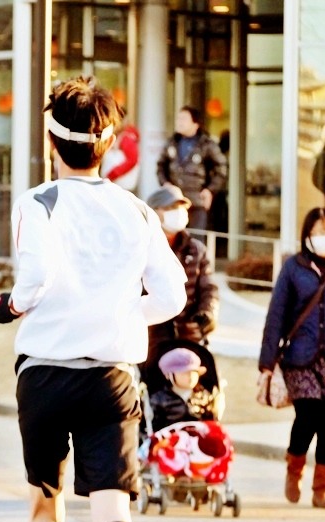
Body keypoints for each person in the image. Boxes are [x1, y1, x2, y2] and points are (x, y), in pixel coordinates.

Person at [0, 75, 187, 522]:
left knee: (45, 506)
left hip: (46, 372)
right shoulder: (137, 211)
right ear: (106, 147)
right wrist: (123, 307)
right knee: (113, 511)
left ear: (53, 140)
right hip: (112, 375)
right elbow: (173, 294)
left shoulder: (39, 201)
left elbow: (37, 279)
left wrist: (11, 305)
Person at [259, 206, 325, 509]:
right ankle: (294, 470)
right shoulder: (292, 267)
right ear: (305, 236)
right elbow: (276, 316)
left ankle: (321, 487)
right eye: (314, 233)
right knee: (308, 416)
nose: (319, 239)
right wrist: (266, 363)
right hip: (300, 357)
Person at [141, 185, 219, 386]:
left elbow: (209, 289)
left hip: (189, 337)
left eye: (181, 208)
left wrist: (208, 315)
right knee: (155, 394)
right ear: (154, 211)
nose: (179, 214)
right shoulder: (141, 246)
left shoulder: (197, 250)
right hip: (153, 342)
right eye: (171, 208)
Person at [156, 106, 227, 232]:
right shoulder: (172, 142)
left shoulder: (206, 144)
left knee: (196, 241)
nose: (179, 122)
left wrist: (210, 190)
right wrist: (165, 183)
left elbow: (221, 168)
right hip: (174, 201)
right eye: (178, 118)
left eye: (184, 119)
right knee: (173, 238)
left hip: (197, 201)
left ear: (195, 123)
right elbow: (161, 166)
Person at [148, 347, 218, 434]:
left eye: (194, 372)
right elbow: (152, 427)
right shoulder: (159, 399)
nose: (190, 376)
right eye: (184, 373)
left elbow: (212, 423)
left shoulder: (203, 396)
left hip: (198, 442)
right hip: (170, 442)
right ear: (169, 375)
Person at [99, 113, 139, 192]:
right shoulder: (122, 136)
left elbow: (132, 160)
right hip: (117, 185)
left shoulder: (127, 138)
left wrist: (112, 174)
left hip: (121, 186)